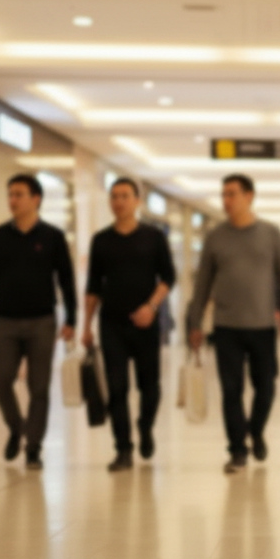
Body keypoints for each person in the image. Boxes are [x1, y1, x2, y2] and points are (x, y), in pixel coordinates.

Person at [186, 174, 280, 473]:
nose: (226, 200)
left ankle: (256, 431)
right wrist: (194, 323)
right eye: (223, 194)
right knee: (231, 390)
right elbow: (202, 284)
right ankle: (237, 449)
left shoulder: (271, 234)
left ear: (249, 196)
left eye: (232, 194)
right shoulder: (215, 237)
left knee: (266, 387)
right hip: (226, 327)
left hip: (262, 326)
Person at [0, 174, 76, 470]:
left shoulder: (53, 237)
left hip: (42, 322)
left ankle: (34, 447)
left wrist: (72, 319)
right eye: (10, 194)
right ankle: (17, 427)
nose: (12, 200)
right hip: (5, 323)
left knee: (39, 388)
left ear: (36, 199)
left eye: (19, 194)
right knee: (1, 380)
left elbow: (66, 280)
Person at [81, 178, 177, 472]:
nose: (118, 201)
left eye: (124, 196)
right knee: (116, 387)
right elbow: (93, 286)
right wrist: (86, 326)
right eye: (114, 197)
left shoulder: (153, 237)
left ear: (137, 201)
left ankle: (145, 427)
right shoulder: (101, 240)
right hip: (112, 324)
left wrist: (151, 307)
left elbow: (168, 278)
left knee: (151, 388)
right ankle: (123, 448)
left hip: (146, 324)